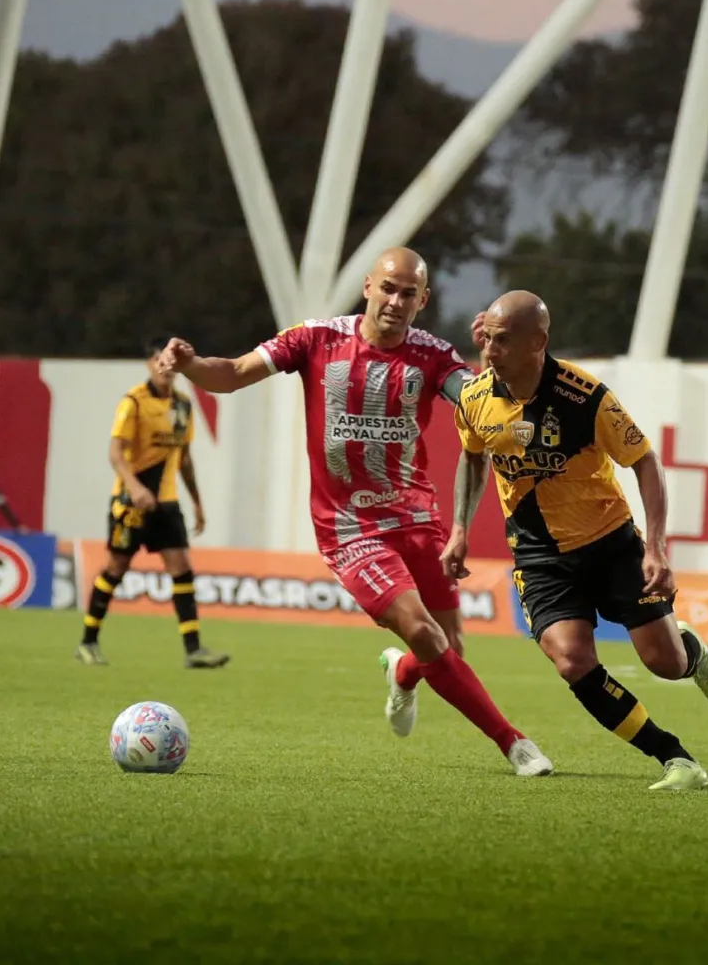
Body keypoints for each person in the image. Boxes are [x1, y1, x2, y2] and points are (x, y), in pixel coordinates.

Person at [158, 247, 552, 776]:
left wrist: (488, 364)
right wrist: (190, 366)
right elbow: (230, 373)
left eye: (408, 293)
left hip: (416, 518)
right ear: (367, 286)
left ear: (423, 300)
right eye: (387, 288)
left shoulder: (433, 355)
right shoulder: (315, 338)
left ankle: (404, 676)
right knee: (427, 635)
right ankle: (514, 743)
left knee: (448, 646)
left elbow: (480, 405)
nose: (395, 300)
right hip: (350, 528)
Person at [440, 291, 708, 792]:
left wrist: (657, 548)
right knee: (572, 661)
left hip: (610, 543)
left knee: (665, 663)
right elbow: (472, 458)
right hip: (540, 554)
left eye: (504, 341)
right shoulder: (473, 398)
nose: (490, 351)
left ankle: (690, 651)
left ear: (539, 342)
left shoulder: (585, 397)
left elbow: (646, 461)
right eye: (487, 339)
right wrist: (460, 529)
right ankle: (674, 757)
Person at [76, 336, 230, 669]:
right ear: (150, 362)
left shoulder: (183, 405)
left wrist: (198, 503)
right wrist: (134, 487)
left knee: (182, 569)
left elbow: (185, 459)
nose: (167, 367)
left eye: (172, 361)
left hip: (168, 502)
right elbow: (115, 452)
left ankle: (193, 650)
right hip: (131, 503)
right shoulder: (133, 401)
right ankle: (88, 641)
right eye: (161, 360)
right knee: (116, 568)